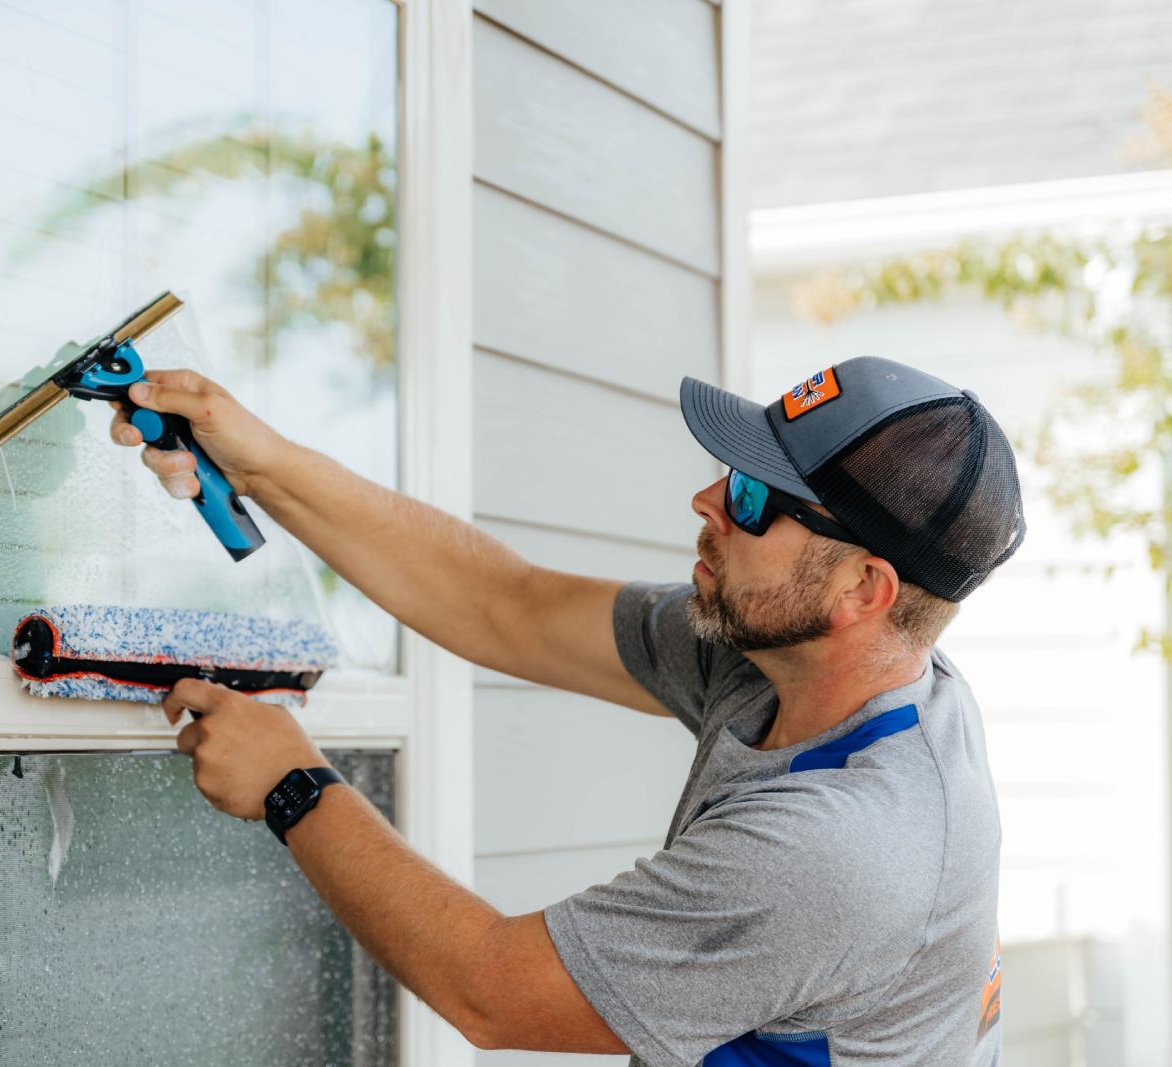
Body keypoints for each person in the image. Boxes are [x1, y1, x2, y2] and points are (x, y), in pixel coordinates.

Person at [107, 354, 1022, 1065]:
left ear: (864, 587)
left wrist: (294, 785)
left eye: (752, 499)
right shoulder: (796, 662)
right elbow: (508, 604)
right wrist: (258, 459)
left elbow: (491, 989)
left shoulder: (844, 844)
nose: (706, 500)